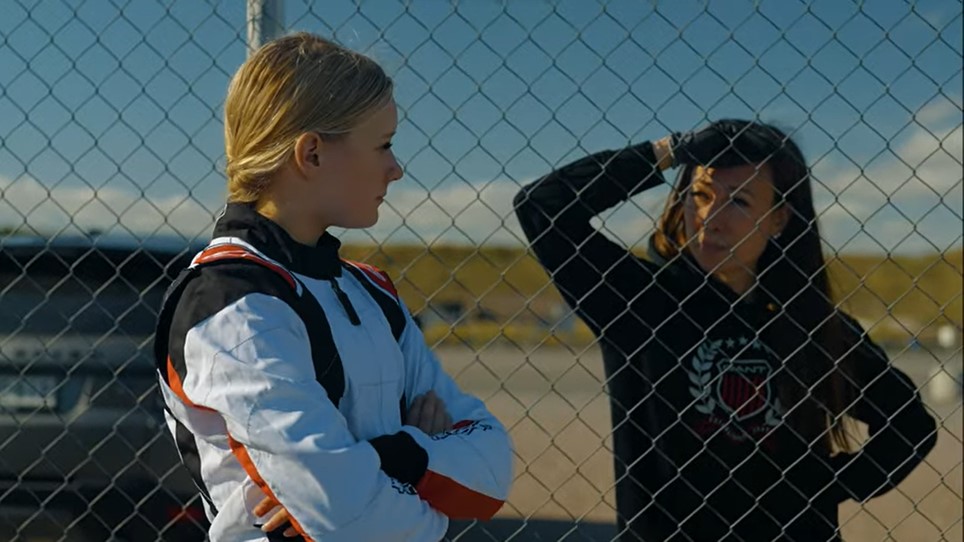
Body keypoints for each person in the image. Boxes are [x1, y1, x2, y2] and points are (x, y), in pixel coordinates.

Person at [154, 32, 513, 542]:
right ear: (312, 153)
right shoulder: (229, 303)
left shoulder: (373, 290)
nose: (396, 168)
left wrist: (390, 456)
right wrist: (425, 469)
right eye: (383, 144)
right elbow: (348, 521)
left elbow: (492, 469)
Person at [513, 119, 937, 541]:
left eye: (738, 201)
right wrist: (670, 150)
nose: (710, 218)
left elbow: (910, 425)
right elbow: (541, 206)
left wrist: (824, 487)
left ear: (778, 219)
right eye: (699, 195)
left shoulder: (808, 322)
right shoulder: (638, 301)